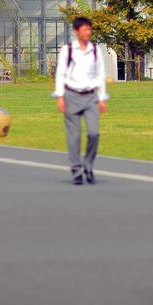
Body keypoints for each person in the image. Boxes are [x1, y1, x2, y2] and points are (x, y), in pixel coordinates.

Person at [54, 17, 108, 185]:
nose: (88, 33)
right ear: (77, 31)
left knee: (94, 132)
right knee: (74, 136)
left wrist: (102, 97)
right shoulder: (68, 50)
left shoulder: (95, 50)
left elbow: (100, 74)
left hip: (91, 96)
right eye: (85, 29)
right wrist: (60, 96)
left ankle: (88, 165)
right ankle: (76, 168)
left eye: (89, 29)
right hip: (71, 95)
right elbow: (61, 73)